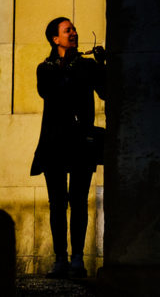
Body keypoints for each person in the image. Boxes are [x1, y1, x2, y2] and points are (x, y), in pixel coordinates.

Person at [30, 17, 107, 279]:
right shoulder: (46, 68)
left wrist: (101, 65)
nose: (73, 32)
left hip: (81, 142)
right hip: (54, 143)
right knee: (57, 203)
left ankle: (76, 260)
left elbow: (107, 91)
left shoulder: (86, 66)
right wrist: (77, 68)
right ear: (55, 39)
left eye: (74, 28)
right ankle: (60, 259)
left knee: (78, 201)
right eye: (67, 30)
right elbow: (50, 92)